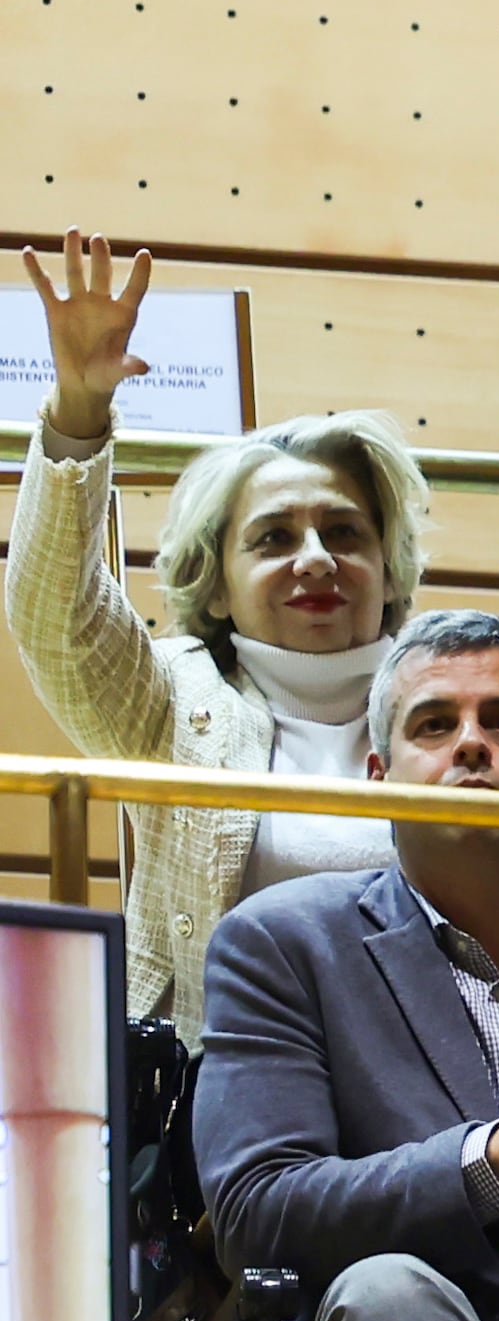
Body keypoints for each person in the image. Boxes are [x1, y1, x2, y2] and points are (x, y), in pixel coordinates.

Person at [9, 235, 434, 1031]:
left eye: (344, 533)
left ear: (389, 564)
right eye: (273, 539)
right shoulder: (172, 699)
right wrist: (78, 410)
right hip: (215, 1100)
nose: (315, 561)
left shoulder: (463, 695)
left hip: (435, 1108)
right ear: (217, 581)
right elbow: (52, 618)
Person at [192, 613, 499, 1321]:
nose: (472, 743)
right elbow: (257, 1214)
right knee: (383, 1290)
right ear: (379, 781)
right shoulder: (280, 943)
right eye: (433, 724)